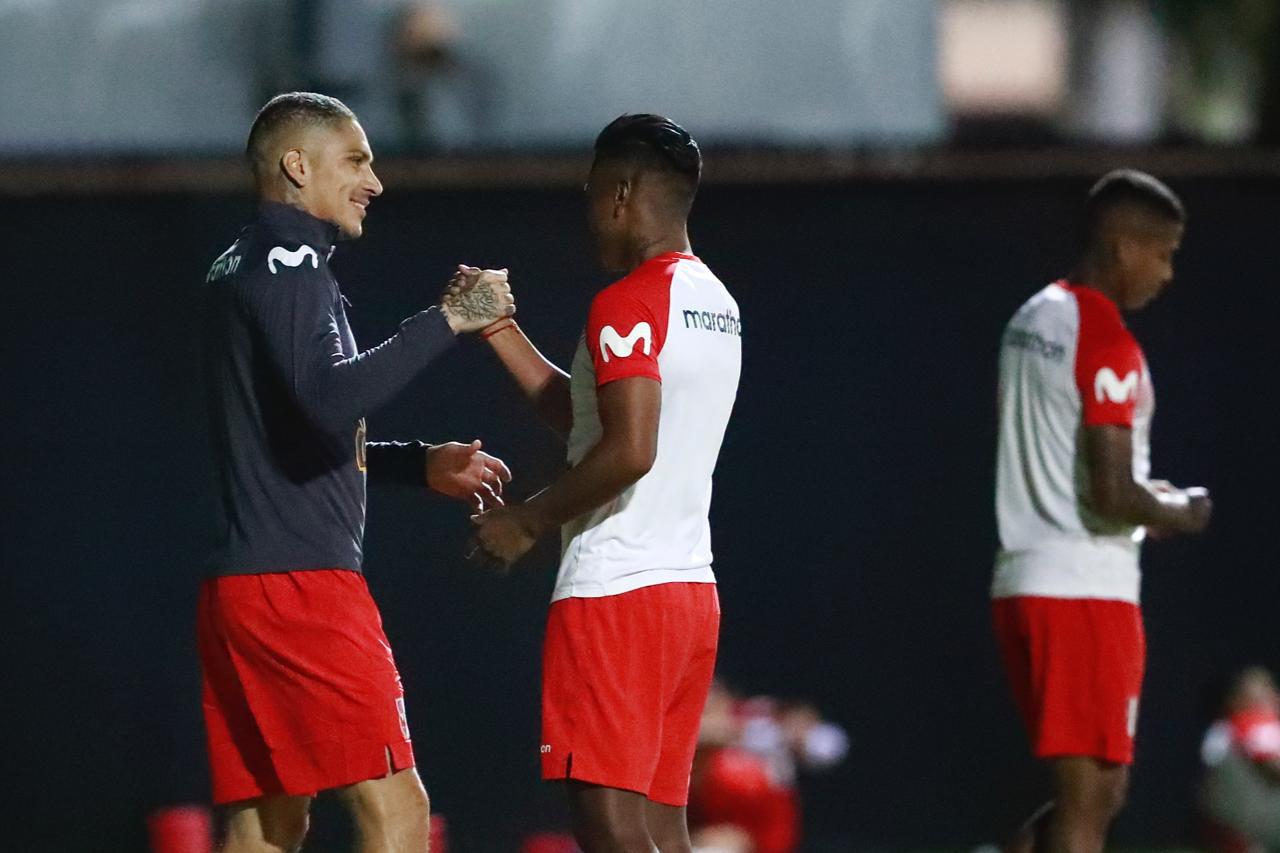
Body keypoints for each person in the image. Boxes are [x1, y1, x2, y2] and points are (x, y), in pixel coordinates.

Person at [199, 91, 514, 853]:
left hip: (245, 582)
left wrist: (413, 464)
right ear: (297, 165)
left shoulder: (241, 261)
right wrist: (450, 318)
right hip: (301, 587)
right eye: (357, 160)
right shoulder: (289, 261)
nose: (374, 181)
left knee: (270, 820)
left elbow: (293, 423)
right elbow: (328, 398)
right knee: (398, 809)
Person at [467, 114, 742, 852]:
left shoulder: (628, 300)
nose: (588, 212)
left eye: (592, 192)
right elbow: (591, 419)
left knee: (612, 829)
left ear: (621, 192)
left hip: (618, 591)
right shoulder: (715, 302)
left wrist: (527, 519)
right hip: (688, 591)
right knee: (661, 826)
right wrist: (500, 330)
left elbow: (628, 450)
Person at [992, 169, 1212, 853]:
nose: (1169, 272)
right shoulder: (1104, 336)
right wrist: (1182, 509)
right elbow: (1115, 493)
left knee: (1088, 796)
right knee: (1090, 804)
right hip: (1084, 587)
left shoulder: (1031, 318)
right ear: (1122, 245)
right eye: (1164, 251)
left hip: (1026, 576)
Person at [1200, 666, 1280, 851]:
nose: (1272, 696)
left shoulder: (1226, 728)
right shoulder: (1246, 723)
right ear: (1237, 700)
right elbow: (1272, 768)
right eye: (1262, 691)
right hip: (1243, 826)